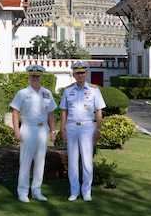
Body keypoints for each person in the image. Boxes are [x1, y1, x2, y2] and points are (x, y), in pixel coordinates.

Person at [10, 64, 57, 203]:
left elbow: (51, 113)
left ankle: (36, 191)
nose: (35, 78)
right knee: (25, 162)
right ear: (29, 76)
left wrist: (53, 131)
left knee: (40, 162)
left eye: (37, 76)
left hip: (43, 130)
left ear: (41, 77)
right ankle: (23, 192)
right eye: (33, 76)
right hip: (28, 129)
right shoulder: (22, 93)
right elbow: (15, 112)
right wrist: (16, 131)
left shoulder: (47, 93)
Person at [60, 61, 106, 202]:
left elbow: (99, 111)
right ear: (73, 74)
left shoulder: (94, 90)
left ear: (86, 74)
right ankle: (74, 191)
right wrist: (62, 127)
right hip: (72, 126)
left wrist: (98, 129)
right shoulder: (68, 91)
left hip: (87, 127)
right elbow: (64, 110)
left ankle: (86, 191)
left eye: (83, 73)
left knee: (87, 161)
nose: (80, 75)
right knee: (72, 161)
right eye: (77, 73)